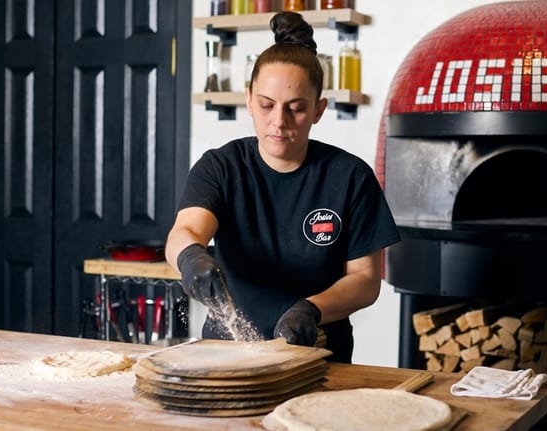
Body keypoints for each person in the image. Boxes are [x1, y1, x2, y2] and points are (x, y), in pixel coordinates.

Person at [165, 11, 399, 363]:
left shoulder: (350, 177)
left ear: (318, 110)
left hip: (318, 355)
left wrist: (312, 309)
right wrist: (191, 258)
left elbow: (365, 280)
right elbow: (185, 231)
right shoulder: (221, 167)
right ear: (248, 100)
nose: (279, 121)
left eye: (296, 108)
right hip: (228, 354)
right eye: (266, 105)